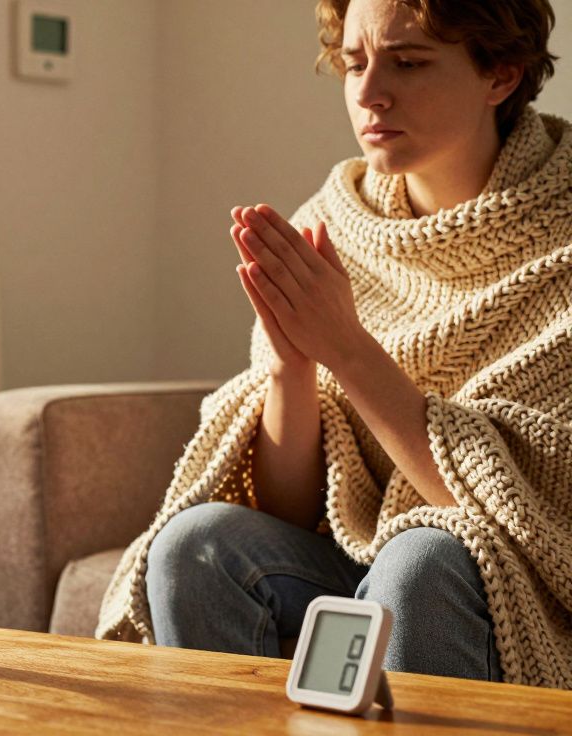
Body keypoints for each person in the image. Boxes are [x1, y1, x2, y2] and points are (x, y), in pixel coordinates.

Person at [96, 0, 572, 688]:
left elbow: (522, 517)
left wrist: (347, 350)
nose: (369, 92)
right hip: (357, 554)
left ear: (501, 74)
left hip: (500, 576)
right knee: (194, 547)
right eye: (354, 62)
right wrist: (294, 365)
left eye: (408, 62)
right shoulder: (331, 224)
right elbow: (289, 510)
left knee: (420, 559)